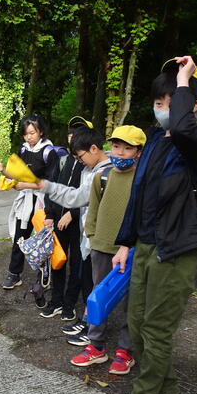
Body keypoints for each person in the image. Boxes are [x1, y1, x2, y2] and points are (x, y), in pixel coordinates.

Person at [100, 55, 197, 394]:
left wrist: (184, 80)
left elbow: (182, 128)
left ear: (192, 105)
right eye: (158, 102)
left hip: (176, 246)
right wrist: (125, 243)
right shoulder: (152, 141)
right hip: (147, 244)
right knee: (136, 324)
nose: (162, 108)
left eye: (171, 101)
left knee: (156, 328)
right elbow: (139, 195)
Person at [16, 126, 112, 338]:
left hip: (97, 240)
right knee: (81, 277)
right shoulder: (84, 168)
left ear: (93, 148)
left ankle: (93, 332)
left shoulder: (107, 173)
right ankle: (87, 324)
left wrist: (73, 215)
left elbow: (81, 201)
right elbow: (71, 194)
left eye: (81, 156)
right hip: (87, 237)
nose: (80, 160)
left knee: (93, 283)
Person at [69, 125, 147, 376]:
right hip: (101, 246)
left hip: (131, 250)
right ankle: (96, 346)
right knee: (98, 296)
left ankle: (125, 351)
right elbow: (92, 210)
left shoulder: (144, 179)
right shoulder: (101, 177)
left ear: (138, 152)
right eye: (116, 146)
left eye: (127, 148)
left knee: (131, 302)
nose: (120, 153)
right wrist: (92, 237)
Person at [0, 114, 60, 290]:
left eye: (32, 133)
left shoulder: (49, 152)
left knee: (42, 240)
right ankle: (14, 274)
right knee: (19, 237)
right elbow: (18, 176)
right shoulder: (23, 150)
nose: (28, 137)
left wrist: (26, 185)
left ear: (41, 132)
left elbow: (52, 183)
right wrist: (4, 171)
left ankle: (43, 278)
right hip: (26, 202)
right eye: (25, 134)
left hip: (44, 202)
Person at [38, 117, 88, 322]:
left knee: (77, 265)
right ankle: (56, 301)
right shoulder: (64, 160)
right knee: (57, 261)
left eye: (78, 132)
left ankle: (69, 304)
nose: (72, 136)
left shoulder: (89, 165)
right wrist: (50, 214)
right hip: (57, 221)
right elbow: (52, 188)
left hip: (78, 225)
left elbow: (89, 195)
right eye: (70, 133)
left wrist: (73, 213)